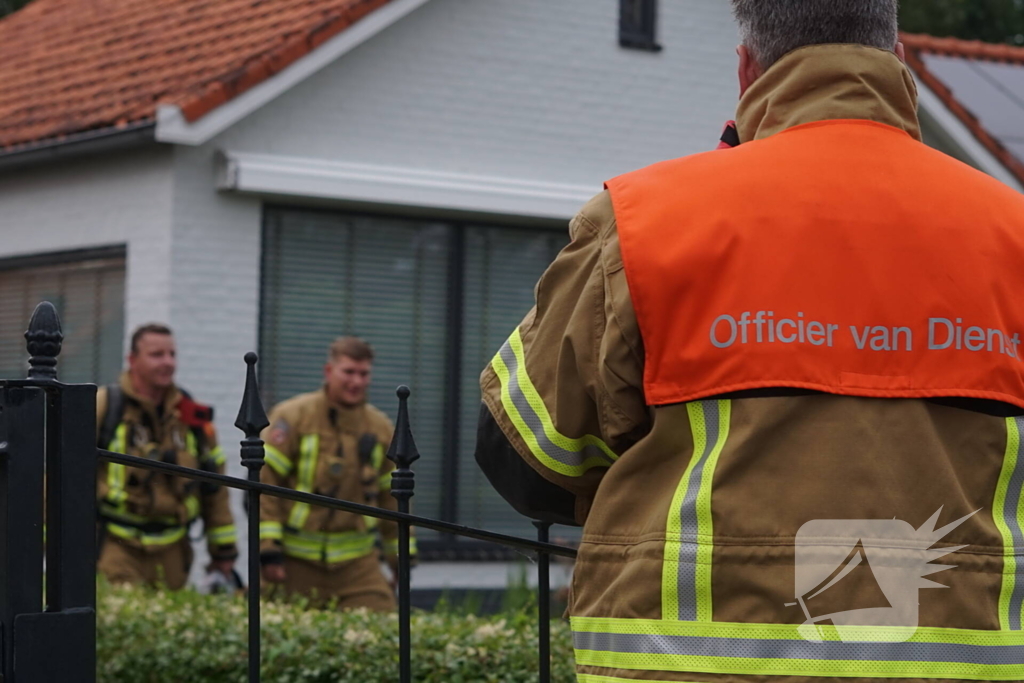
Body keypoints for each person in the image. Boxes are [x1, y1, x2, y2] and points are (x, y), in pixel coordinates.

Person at [475, 2, 1024, 682]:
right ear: (899, 60)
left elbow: (523, 458)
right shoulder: (1013, 236)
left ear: (747, 69)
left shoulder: (647, 227)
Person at [258, 337, 415, 610]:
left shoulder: (380, 428)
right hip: (295, 563)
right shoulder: (293, 417)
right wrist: (268, 550)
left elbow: (393, 501)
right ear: (328, 371)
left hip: (359, 567)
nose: (356, 382)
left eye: (363, 373)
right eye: (348, 372)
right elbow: (264, 486)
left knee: (384, 636)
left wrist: (401, 561)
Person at [97, 324, 237, 590]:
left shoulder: (190, 415)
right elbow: (60, 474)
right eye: (157, 354)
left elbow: (214, 486)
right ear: (132, 360)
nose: (168, 362)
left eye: (172, 354)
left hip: (173, 553)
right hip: (116, 549)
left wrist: (223, 552)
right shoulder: (106, 407)